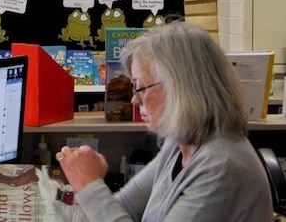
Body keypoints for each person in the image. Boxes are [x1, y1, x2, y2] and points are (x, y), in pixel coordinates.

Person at [54, 20, 272, 221]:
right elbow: (124, 206)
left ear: (179, 89)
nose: (134, 99)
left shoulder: (221, 166)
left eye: (140, 87)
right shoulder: (179, 144)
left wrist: (90, 186)